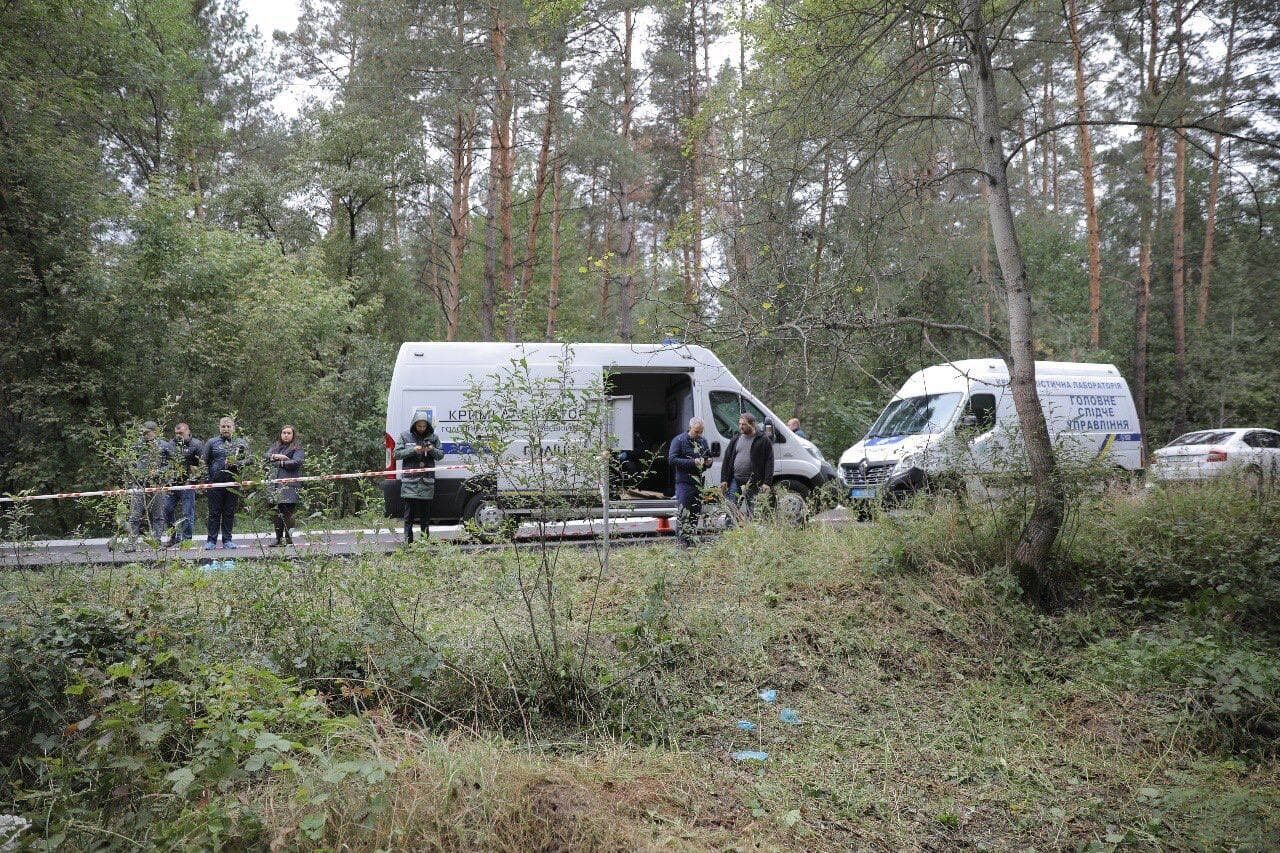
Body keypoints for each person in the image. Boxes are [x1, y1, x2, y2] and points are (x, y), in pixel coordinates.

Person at [394, 410, 444, 543]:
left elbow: (440, 455)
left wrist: (431, 449)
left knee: (425, 517)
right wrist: (413, 450)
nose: (421, 429)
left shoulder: (434, 437)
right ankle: (408, 542)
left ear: (427, 425)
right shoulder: (405, 436)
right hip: (410, 483)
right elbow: (396, 454)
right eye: (419, 426)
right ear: (414, 424)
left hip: (426, 482)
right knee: (408, 516)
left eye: (424, 426)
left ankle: (424, 543)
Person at [203, 416, 249, 550]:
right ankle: (211, 540)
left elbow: (249, 460)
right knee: (214, 513)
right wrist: (207, 481)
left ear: (233, 428)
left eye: (228, 426)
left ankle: (227, 540)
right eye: (223, 426)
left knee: (229, 512)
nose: (226, 429)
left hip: (233, 483)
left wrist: (237, 463)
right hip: (215, 483)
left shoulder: (240, 442)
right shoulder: (212, 442)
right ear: (219, 427)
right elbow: (203, 462)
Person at [721, 412, 775, 522]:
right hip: (736, 480)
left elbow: (769, 462)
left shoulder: (763, 440)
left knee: (754, 512)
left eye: (744, 424)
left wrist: (767, 482)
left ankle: (752, 535)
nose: (740, 426)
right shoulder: (736, 439)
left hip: (754, 482)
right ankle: (730, 534)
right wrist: (724, 480)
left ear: (752, 424)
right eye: (739, 424)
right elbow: (727, 460)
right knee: (731, 510)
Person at [667, 417, 711, 547]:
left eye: (701, 431)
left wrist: (709, 462)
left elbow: (708, 457)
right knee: (684, 512)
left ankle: (691, 539)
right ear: (690, 428)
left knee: (695, 512)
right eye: (696, 431)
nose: (699, 435)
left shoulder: (703, 441)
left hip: (698, 482)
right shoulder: (679, 440)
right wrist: (692, 462)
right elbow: (672, 459)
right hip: (684, 482)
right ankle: (681, 542)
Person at [125, 421, 167, 550]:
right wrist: (134, 476)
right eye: (144, 433)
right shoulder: (136, 446)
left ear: (155, 431)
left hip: (157, 485)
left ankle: (156, 542)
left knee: (158, 515)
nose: (146, 435)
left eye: (148, 432)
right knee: (135, 515)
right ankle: (131, 543)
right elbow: (129, 463)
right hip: (139, 485)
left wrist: (159, 472)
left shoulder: (163, 446)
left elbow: (171, 464)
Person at [161, 422, 204, 546]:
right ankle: (174, 536)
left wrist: (192, 480)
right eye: (176, 433)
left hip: (188, 484)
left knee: (187, 513)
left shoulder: (196, 444)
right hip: (173, 484)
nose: (178, 435)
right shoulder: (171, 444)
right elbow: (165, 464)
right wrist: (166, 481)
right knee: (167, 509)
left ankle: (186, 539)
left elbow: (202, 465)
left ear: (188, 431)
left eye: (181, 433)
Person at [265, 425, 304, 547]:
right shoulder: (276, 446)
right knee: (276, 512)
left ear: (293, 435)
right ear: (280, 434)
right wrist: (276, 456)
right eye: (284, 433)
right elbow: (265, 456)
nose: (286, 435)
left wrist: (279, 462)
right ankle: (278, 539)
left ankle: (288, 539)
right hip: (274, 484)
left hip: (289, 485)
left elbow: (297, 462)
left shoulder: (297, 448)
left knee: (288, 512)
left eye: (288, 433)